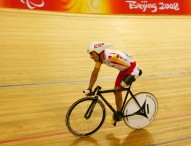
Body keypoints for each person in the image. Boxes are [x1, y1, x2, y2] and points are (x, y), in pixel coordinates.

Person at [84, 41, 142, 124]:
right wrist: (89, 88)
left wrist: (136, 72)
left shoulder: (111, 57)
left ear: (98, 52)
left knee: (120, 86)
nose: (91, 57)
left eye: (92, 54)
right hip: (123, 70)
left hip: (132, 68)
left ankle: (123, 112)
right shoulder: (100, 58)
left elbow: (128, 60)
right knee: (116, 90)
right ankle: (119, 113)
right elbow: (95, 73)